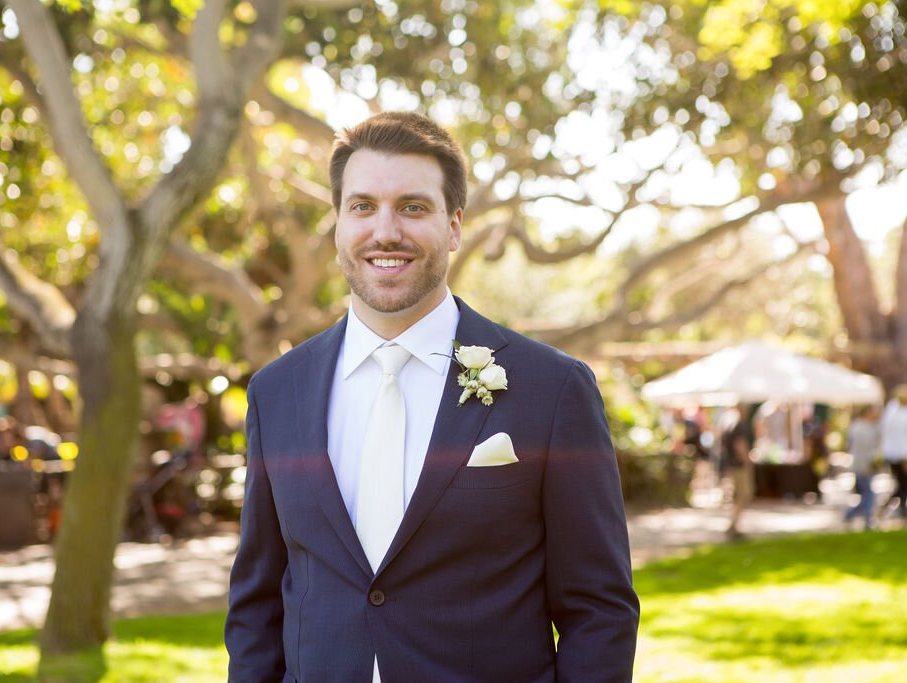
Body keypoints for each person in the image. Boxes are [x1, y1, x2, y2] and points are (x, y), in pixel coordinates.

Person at [225, 112, 639, 682]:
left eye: (413, 207)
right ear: (339, 222)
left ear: (454, 227)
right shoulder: (277, 392)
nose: (385, 231)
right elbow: (256, 604)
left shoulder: (554, 390)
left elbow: (599, 609)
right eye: (362, 206)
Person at [844, 405, 881, 530]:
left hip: (866, 465)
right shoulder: (861, 429)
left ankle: (853, 515)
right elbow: (860, 451)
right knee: (869, 495)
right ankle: (864, 519)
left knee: (867, 494)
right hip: (862, 466)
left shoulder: (866, 427)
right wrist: (864, 466)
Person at [720, 405, 754, 539]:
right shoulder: (739, 424)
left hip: (731, 464)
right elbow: (739, 444)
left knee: (737, 496)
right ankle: (733, 525)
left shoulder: (728, 423)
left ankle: (734, 524)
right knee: (744, 494)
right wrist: (747, 460)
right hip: (739, 465)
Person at [880, 384, 907, 520]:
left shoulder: (891, 409)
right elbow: (902, 437)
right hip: (901, 454)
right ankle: (895, 508)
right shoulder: (901, 414)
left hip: (890, 453)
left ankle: (900, 509)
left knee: (901, 483)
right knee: (903, 483)